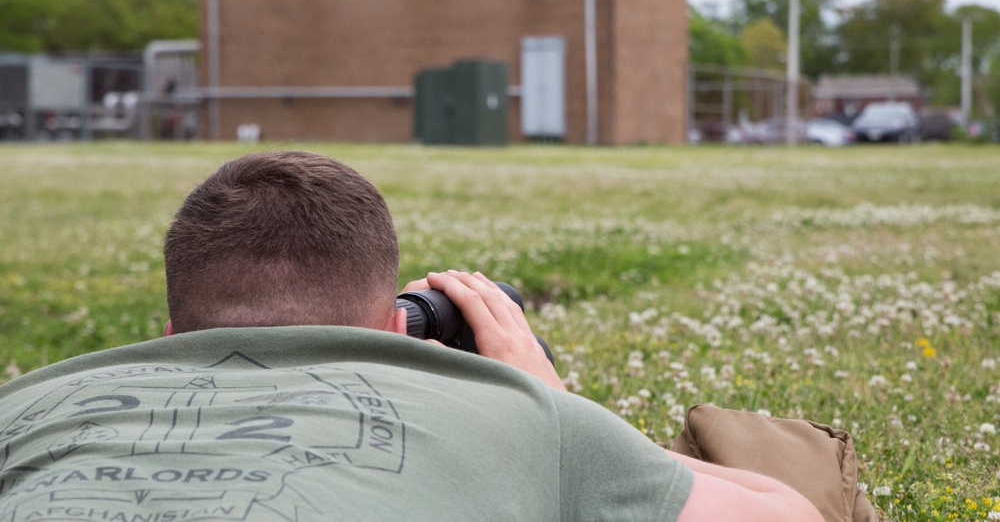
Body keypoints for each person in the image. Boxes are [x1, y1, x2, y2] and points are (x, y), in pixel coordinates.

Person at [0, 151, 821, 521]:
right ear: (397, 330)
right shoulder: (518, 420)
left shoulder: (25, 405)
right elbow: (789, 513)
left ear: (172, 333)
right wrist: (549, 401)